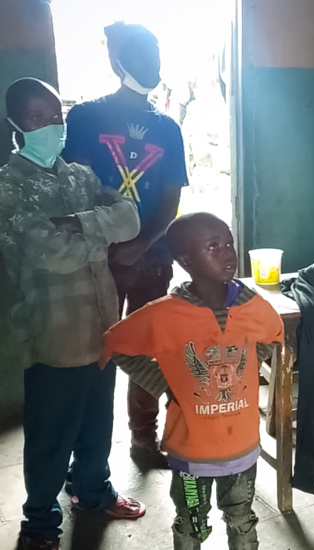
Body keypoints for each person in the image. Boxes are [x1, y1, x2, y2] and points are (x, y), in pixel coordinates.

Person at [0, 78, 145, 550]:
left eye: (55, 116)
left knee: (97, 419)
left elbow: (131, 218)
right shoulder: (9, 188)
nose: (51, 126)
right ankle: (40, 522)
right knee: (51, 430)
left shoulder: (80, 176)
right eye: (37, 117)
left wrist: (76, 223)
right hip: (52, 333)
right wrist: (100, 236)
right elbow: (51, 253)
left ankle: (91, 491)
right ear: (16, 124)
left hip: (102, 325)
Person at [100, 212, 284, 550]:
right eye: (213, 247)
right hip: (190, 459)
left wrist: (249, 364)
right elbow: (116, 343)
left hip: (241, 451)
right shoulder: (163, 314)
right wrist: (164, 382)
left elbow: (273, 337)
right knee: (191, 521)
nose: (227, 252)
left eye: (228, 243)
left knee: (242, 519)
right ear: (186, 261)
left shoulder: (253, 306)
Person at [63, 21, 189, 466]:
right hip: (98, 259)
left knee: (147, 351)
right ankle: (88, 457)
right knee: (95, 353)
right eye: (139, 57)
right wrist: (110, 244)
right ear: (117, 63)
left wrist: (141, 244)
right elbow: (78, 189)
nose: (150, 65)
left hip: (151, 258)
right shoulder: (86, 117)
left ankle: (143, 440)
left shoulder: (167, 128)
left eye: (156, 57)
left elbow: (170, 198)